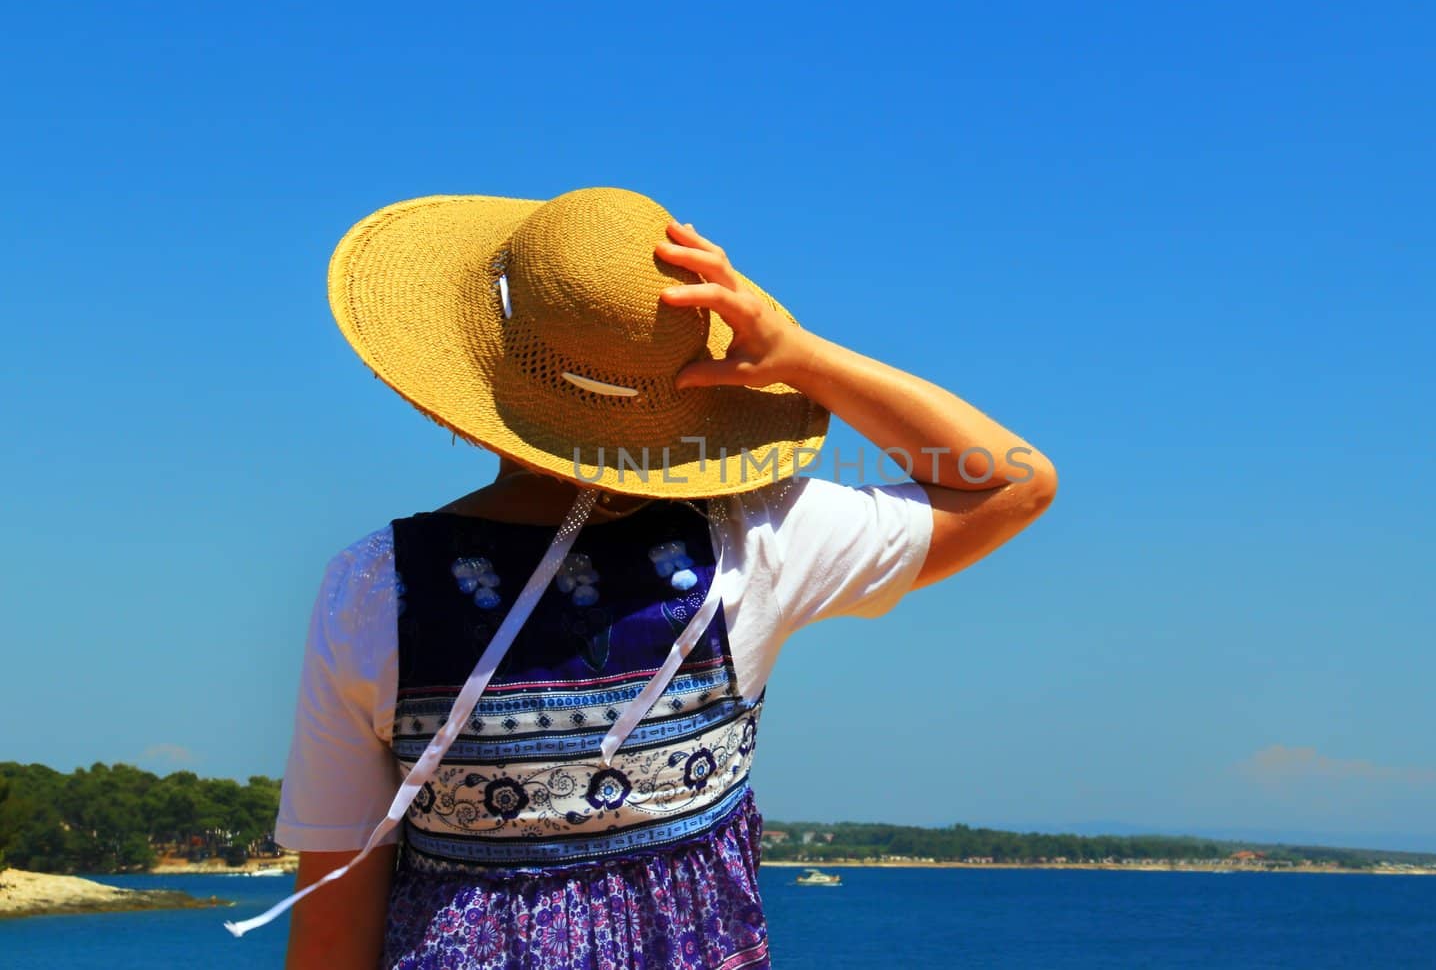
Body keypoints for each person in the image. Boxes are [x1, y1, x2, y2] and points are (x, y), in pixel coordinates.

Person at [254, 187, 1055, 968]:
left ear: (481, 363)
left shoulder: (372, 587)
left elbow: (331, 931)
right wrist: (804, 357)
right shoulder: (755, 537)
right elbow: (1011, 481)